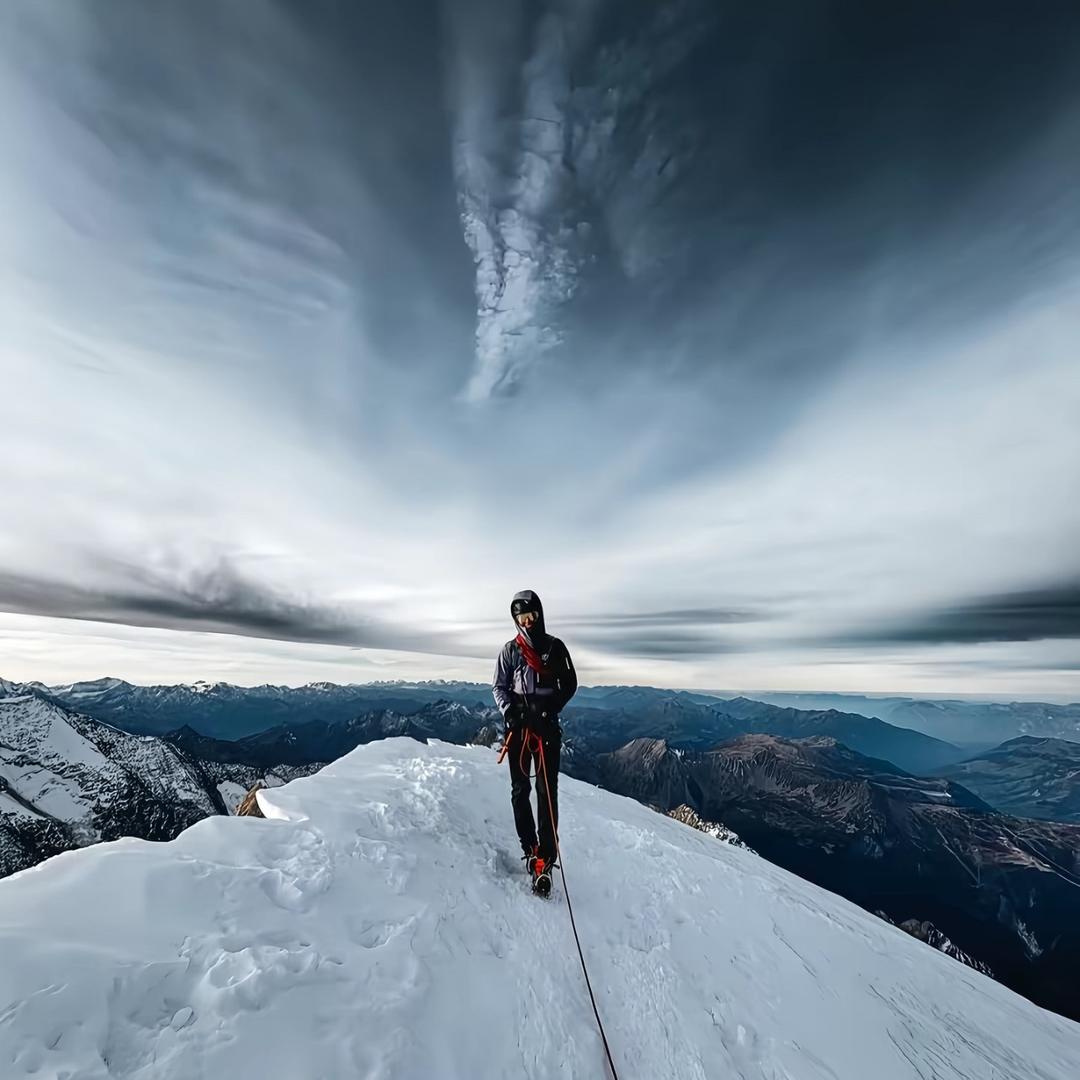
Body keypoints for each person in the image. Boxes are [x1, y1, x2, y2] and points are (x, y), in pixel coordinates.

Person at [492, 589, 577, 895]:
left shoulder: (555, 648)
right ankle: (530, 849)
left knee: (545, 791)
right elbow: (499, 687)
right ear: (515, 619)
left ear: (540, 615)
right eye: (521, 617)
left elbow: (570, 683)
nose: (527, 622)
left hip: (545, 729)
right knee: (520, 789)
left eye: (532, 616)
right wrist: (510, 711)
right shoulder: (510, 652)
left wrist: (548, 708)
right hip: (518, 730)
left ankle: (546, 856)